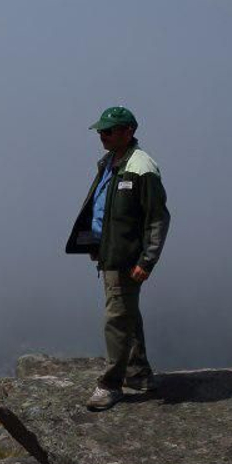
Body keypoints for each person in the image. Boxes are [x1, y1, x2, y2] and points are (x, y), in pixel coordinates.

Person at [64, 106, 170, 410]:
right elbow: (103, 207)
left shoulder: (141, 167)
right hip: (110, 252)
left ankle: (110, 384)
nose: (102, 136)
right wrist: (94, 243)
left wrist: (147, 260)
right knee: (127, 313)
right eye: (100, 131)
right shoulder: (112, 161)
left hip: (126, 257)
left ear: (128, 131)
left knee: (116, 318)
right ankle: (138, 374)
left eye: (108, 131)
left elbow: (158, 218)